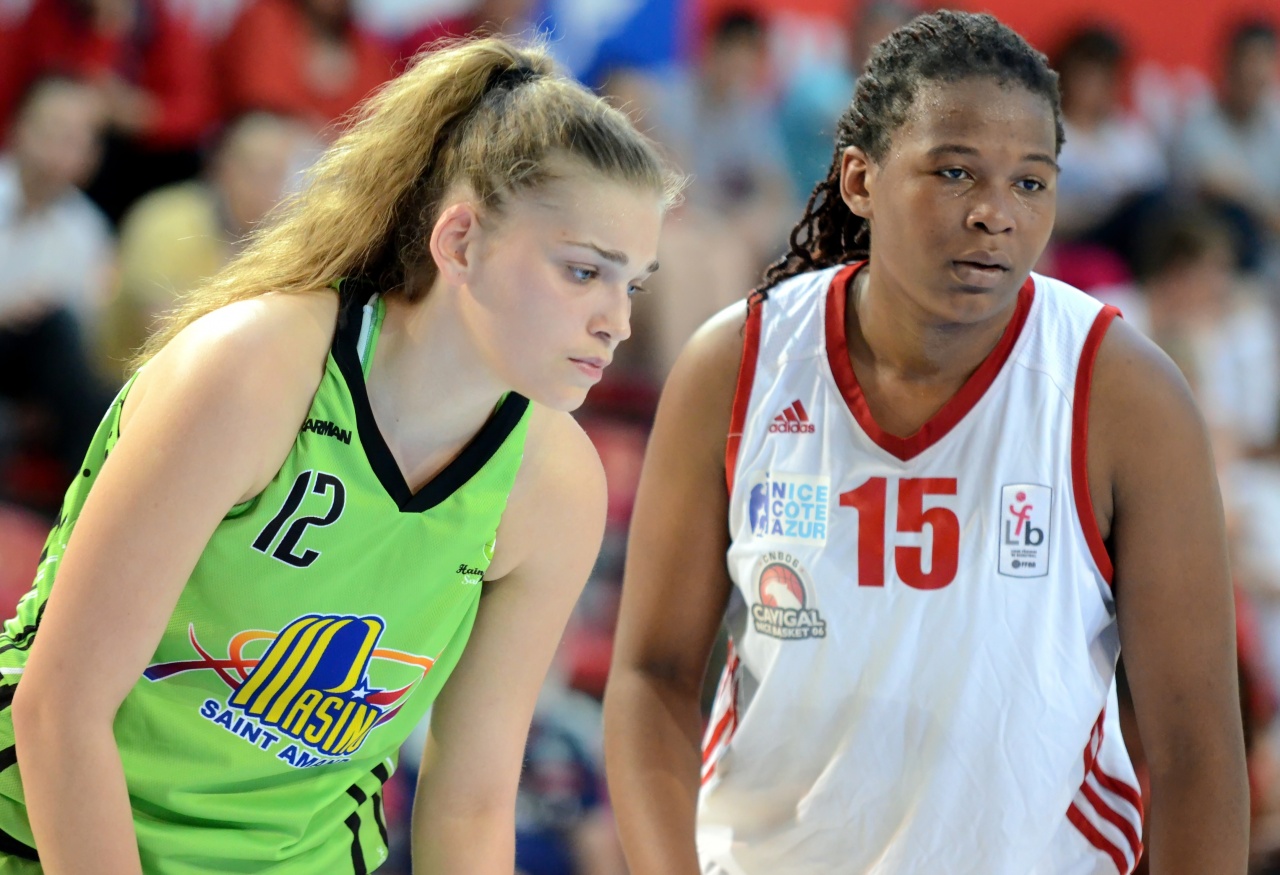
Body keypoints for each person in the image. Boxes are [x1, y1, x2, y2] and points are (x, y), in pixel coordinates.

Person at [0, 36, 679, 874]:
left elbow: (469, 806)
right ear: (460, 241)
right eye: (583, 272)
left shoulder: (557, 487)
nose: (618, 321)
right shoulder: (252, 370)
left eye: (633, 283)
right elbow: (60, 710)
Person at [603, 10, 1247, 875]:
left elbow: (1197, 745)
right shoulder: (739, 365)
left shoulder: (1125, 393)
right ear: (860, 179)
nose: (994, 214)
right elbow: (651, 674)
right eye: (954, 171)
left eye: (1031, 182)